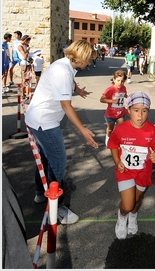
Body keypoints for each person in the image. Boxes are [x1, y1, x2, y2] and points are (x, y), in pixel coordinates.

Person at [25, 40, 99, 225]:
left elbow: (70, 82)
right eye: (89, 59)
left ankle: (40, 193)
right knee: (58, 160)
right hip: (45, 122)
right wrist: (82, 130)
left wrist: (78, 89)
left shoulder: (65, 65)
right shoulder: (62, 72)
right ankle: (56, 208)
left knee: (44, 158)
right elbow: (66, 105)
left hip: (37, 119)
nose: (90, 62)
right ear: (81, 57)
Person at [107, 91, 155, 239]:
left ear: (148, 112)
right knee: (127, 204)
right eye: (136, 110)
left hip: (143, 172)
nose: (140, 115)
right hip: (125, 171)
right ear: (128, 110)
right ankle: (122, 216)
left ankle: (133, 216)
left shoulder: (152, 130)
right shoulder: (120, 129)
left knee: (137, 201)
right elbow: (113, 145)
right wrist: (117, 161)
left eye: (144, 111)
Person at [100, 70, 128, 147]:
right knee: (110, 129)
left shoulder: (124, 88)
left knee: (120, 128)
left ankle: (118, 141)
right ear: (114, 80)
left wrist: (128, 97)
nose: (120, 83)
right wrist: (112, 101)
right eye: (118, 80)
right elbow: (102, 99)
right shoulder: (110, 89)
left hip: (121, 112)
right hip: (111, 114)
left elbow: (124, 94)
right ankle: (108, 138)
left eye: (122, 81)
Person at [17, 35, 32, 100]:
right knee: (24, 79)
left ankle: (27, 94)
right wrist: (27, 50)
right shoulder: (20, 46)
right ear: (25, 40)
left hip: (28, 63)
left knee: (28, 79)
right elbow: (25, 56)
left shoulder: (25, 46)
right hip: (24, 64)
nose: (28, 43)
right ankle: (22, 94)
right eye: (28, 41)